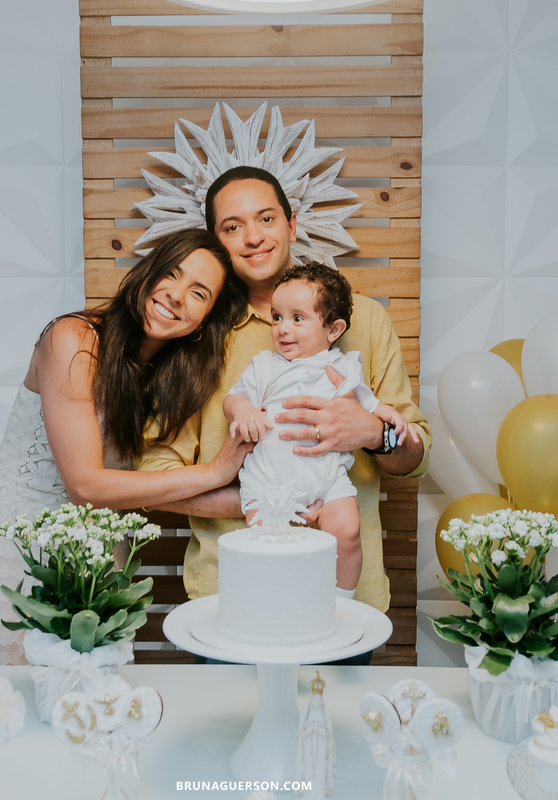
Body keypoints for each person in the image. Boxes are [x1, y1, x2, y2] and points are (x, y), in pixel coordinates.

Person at [138, 166, 432, 653]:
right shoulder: (194, 334)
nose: (253, 237)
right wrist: (267, 504)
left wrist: (372, 433)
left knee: (335, 728)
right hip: (229, 596)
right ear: (216, 241)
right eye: (232, 227)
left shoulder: (365, 321)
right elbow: (152, 475)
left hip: (345, 603)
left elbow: (418, 456)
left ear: (292, 225)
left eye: (266, 218)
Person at [0, 229, 251, 665]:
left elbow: (150, 487)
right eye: (170, 274)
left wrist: (258, 501)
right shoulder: (73, 340)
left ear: (204, 320)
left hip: (95, 562)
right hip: (15, 549)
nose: (175, 295)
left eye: (198, 292)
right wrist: (215, 472)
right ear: (147, 273)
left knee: (86, 711)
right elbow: (86, 487)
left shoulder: (170, 380)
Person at [225, 263, 418, 595]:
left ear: (333, 329)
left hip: (327, 478)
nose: (283, 328)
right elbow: (234, 397)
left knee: (348, 530)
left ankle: (341, 599)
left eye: (297, 318)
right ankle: (271, 601)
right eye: (277, 317)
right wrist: (242, 410)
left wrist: (390, 417)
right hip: (269, 479)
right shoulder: (265, 366)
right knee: (264, 547)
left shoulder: (344, 368)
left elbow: (369, 404)